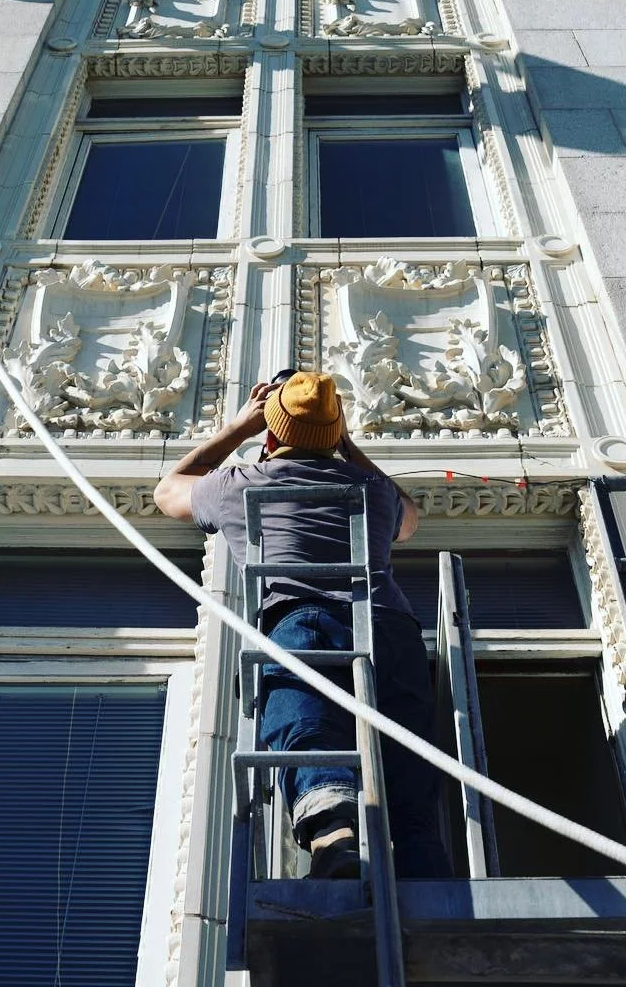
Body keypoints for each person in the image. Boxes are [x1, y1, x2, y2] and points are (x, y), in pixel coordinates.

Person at [155, 371, 451, 882]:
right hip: (388, 627)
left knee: (306, 727)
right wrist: (346, 445)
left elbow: (167, 492)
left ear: (271, 433)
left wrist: (238, 429)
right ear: (336, 434)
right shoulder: (372, 491)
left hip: (300, 617)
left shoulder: (240, 485)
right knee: (406, 769)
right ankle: (428, 883)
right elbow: (408, 520)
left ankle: (334, 837)